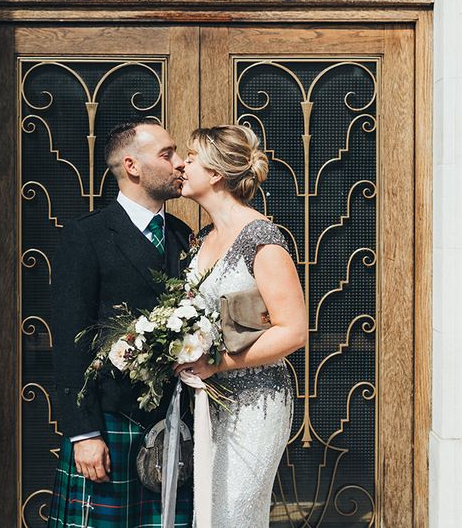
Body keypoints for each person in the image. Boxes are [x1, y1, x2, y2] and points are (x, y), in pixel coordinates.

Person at [47, 119, 194, 527]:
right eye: (167, 154)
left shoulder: (184, 237)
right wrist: (84, 433)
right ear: (132, 165)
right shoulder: (87, 235)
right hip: (110, 424)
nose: (180, 163)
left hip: (174, 423)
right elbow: (69, 339)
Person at [172, 124, 307, 527]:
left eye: (191, 159)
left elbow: (293, 330)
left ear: (214, 173)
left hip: (256, 402)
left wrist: (220, 364)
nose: (181, 165)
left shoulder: (262, 238)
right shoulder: (201, 239)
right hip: (208, 401)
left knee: (234, 514)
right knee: (209, 515)